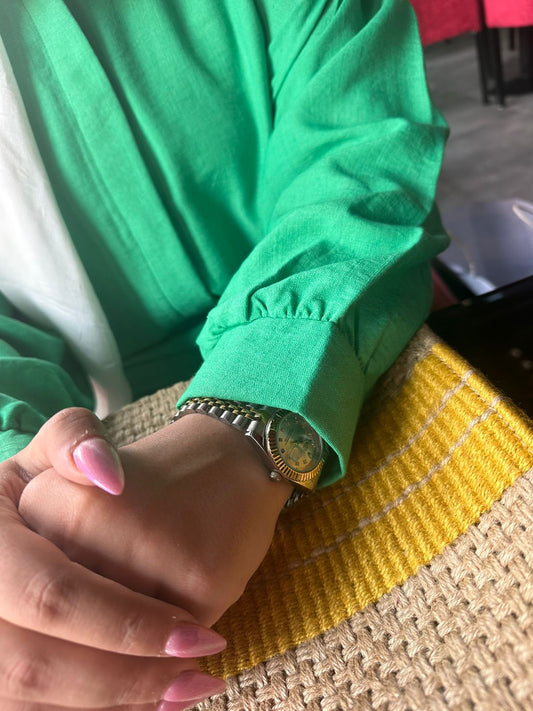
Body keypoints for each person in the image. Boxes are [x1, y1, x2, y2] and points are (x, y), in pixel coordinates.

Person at [0, 0, 448, 708]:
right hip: (77, 457)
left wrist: (247, 417)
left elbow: (363, 154)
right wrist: (18, 483)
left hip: (372, 341)